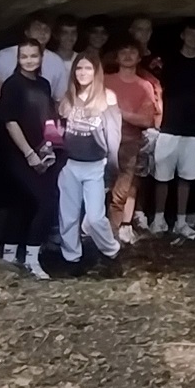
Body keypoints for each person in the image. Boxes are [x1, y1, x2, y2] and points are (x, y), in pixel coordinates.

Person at [0, 38, 60, 280]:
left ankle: (14, 256)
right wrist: (29, 153)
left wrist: (49, 148)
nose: (29, 61)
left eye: (34, 56)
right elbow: (10, 122)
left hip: (42, 151)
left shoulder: (43, 84)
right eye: (24, 56)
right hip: (19, 154)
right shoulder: (12, 85)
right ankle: (29, 259)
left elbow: (47, 118)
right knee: (44, 202)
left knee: (24, 203)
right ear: (18, 59)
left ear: (41, 58)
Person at [57, 53, 122, 273]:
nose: (83, 73)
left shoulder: (107, 98)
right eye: (79, 69)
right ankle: (71, 259)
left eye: (88, 69)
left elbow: (113, 137)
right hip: (71, 165)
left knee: (95, 217)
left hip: (96, 165)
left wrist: (112, 168)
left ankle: (111, 252)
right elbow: (58, 131)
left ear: (96, 72)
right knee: (68, 216)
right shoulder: (67, 98)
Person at [155, 21, 195, 239]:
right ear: (182, 35)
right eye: (190, 34)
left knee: (187, 176)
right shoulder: (170, 60)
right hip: (169, 125)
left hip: (194, 127)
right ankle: (158, 219)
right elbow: (160, 89)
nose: (194, 38)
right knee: (162, 174)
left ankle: (181, 221)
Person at [107, 39, 161, 243]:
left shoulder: (144, 86)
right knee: (99, 188)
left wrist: (118, 113)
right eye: (123, 51)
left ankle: (114, 234)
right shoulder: (104, 81)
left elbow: (147, 119)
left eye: (132, 52)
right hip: (102, 142)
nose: (128, 55)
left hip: (129, 143)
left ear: (139, 58)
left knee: (121, 191)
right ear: (116, 56)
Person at [0, 15, 69, 100]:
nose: (43, 32)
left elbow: (60, 97)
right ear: (27, 32)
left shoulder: (56, 62)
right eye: (37, 28)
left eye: (46, 29)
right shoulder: (2, 57)